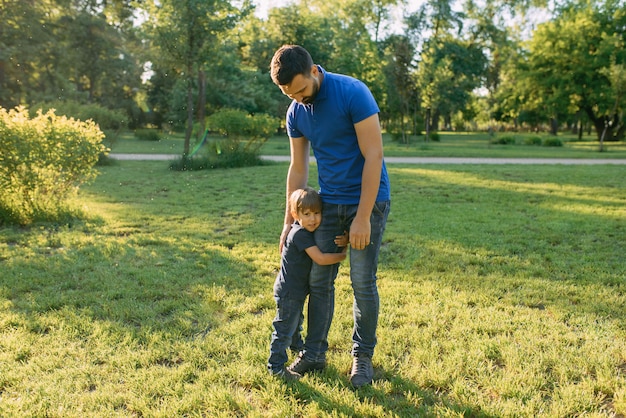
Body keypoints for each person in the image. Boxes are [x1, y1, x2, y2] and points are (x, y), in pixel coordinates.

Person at [270, 45, 391, 388]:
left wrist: (363, 217)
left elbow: (374, 155)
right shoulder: (296, 110)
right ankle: (314, 353)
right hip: (328, 203)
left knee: (362, 282)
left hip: (369, 201)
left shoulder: (352, 92)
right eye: (290, 94)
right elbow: (297, 168)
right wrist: (289, 221)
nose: (299, 99)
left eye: (302, 90)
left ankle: (362, 356)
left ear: (313, 72)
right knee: (319, 282)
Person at [268, 187, 348, 381]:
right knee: (284, 329)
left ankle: (298, 349)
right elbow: (320, 258)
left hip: (294, 290)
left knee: (295, 325)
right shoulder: (299, 234)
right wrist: (343, 253)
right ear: (295, 215)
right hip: (289, 292)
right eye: (307, 214)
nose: (313, 219)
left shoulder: (305, 230)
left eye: (317, 213)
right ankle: (276, 367)